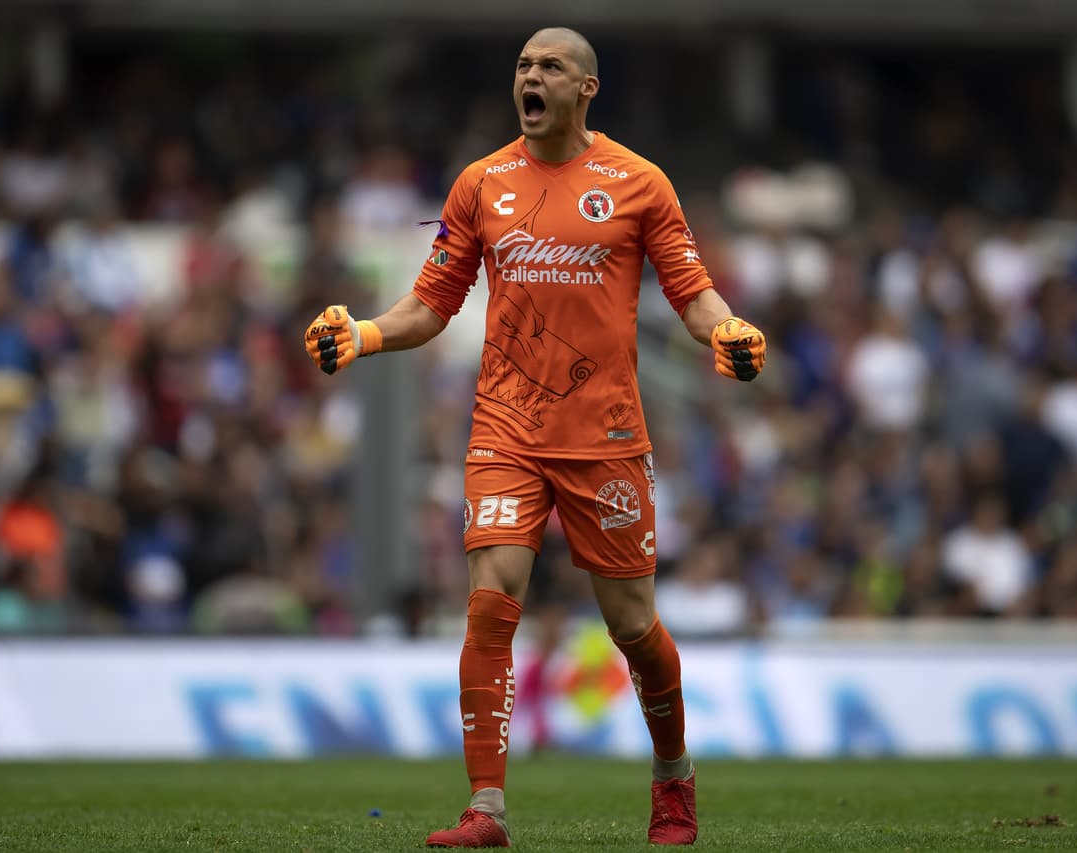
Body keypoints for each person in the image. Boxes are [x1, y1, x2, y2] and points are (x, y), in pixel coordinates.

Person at [304, 27, 766, 848]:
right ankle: (487, 809)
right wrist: (365, 333)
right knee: (491, 602)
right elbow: (431, 305)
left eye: (550, 66)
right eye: (523, 65)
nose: (532, 76)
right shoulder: (482, 184)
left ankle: (673, 778)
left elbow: (692, 293)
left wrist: (728, 330)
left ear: (586, 88)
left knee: (632, 626)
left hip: (606, 434)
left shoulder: (639, 183)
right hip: (506, 428)